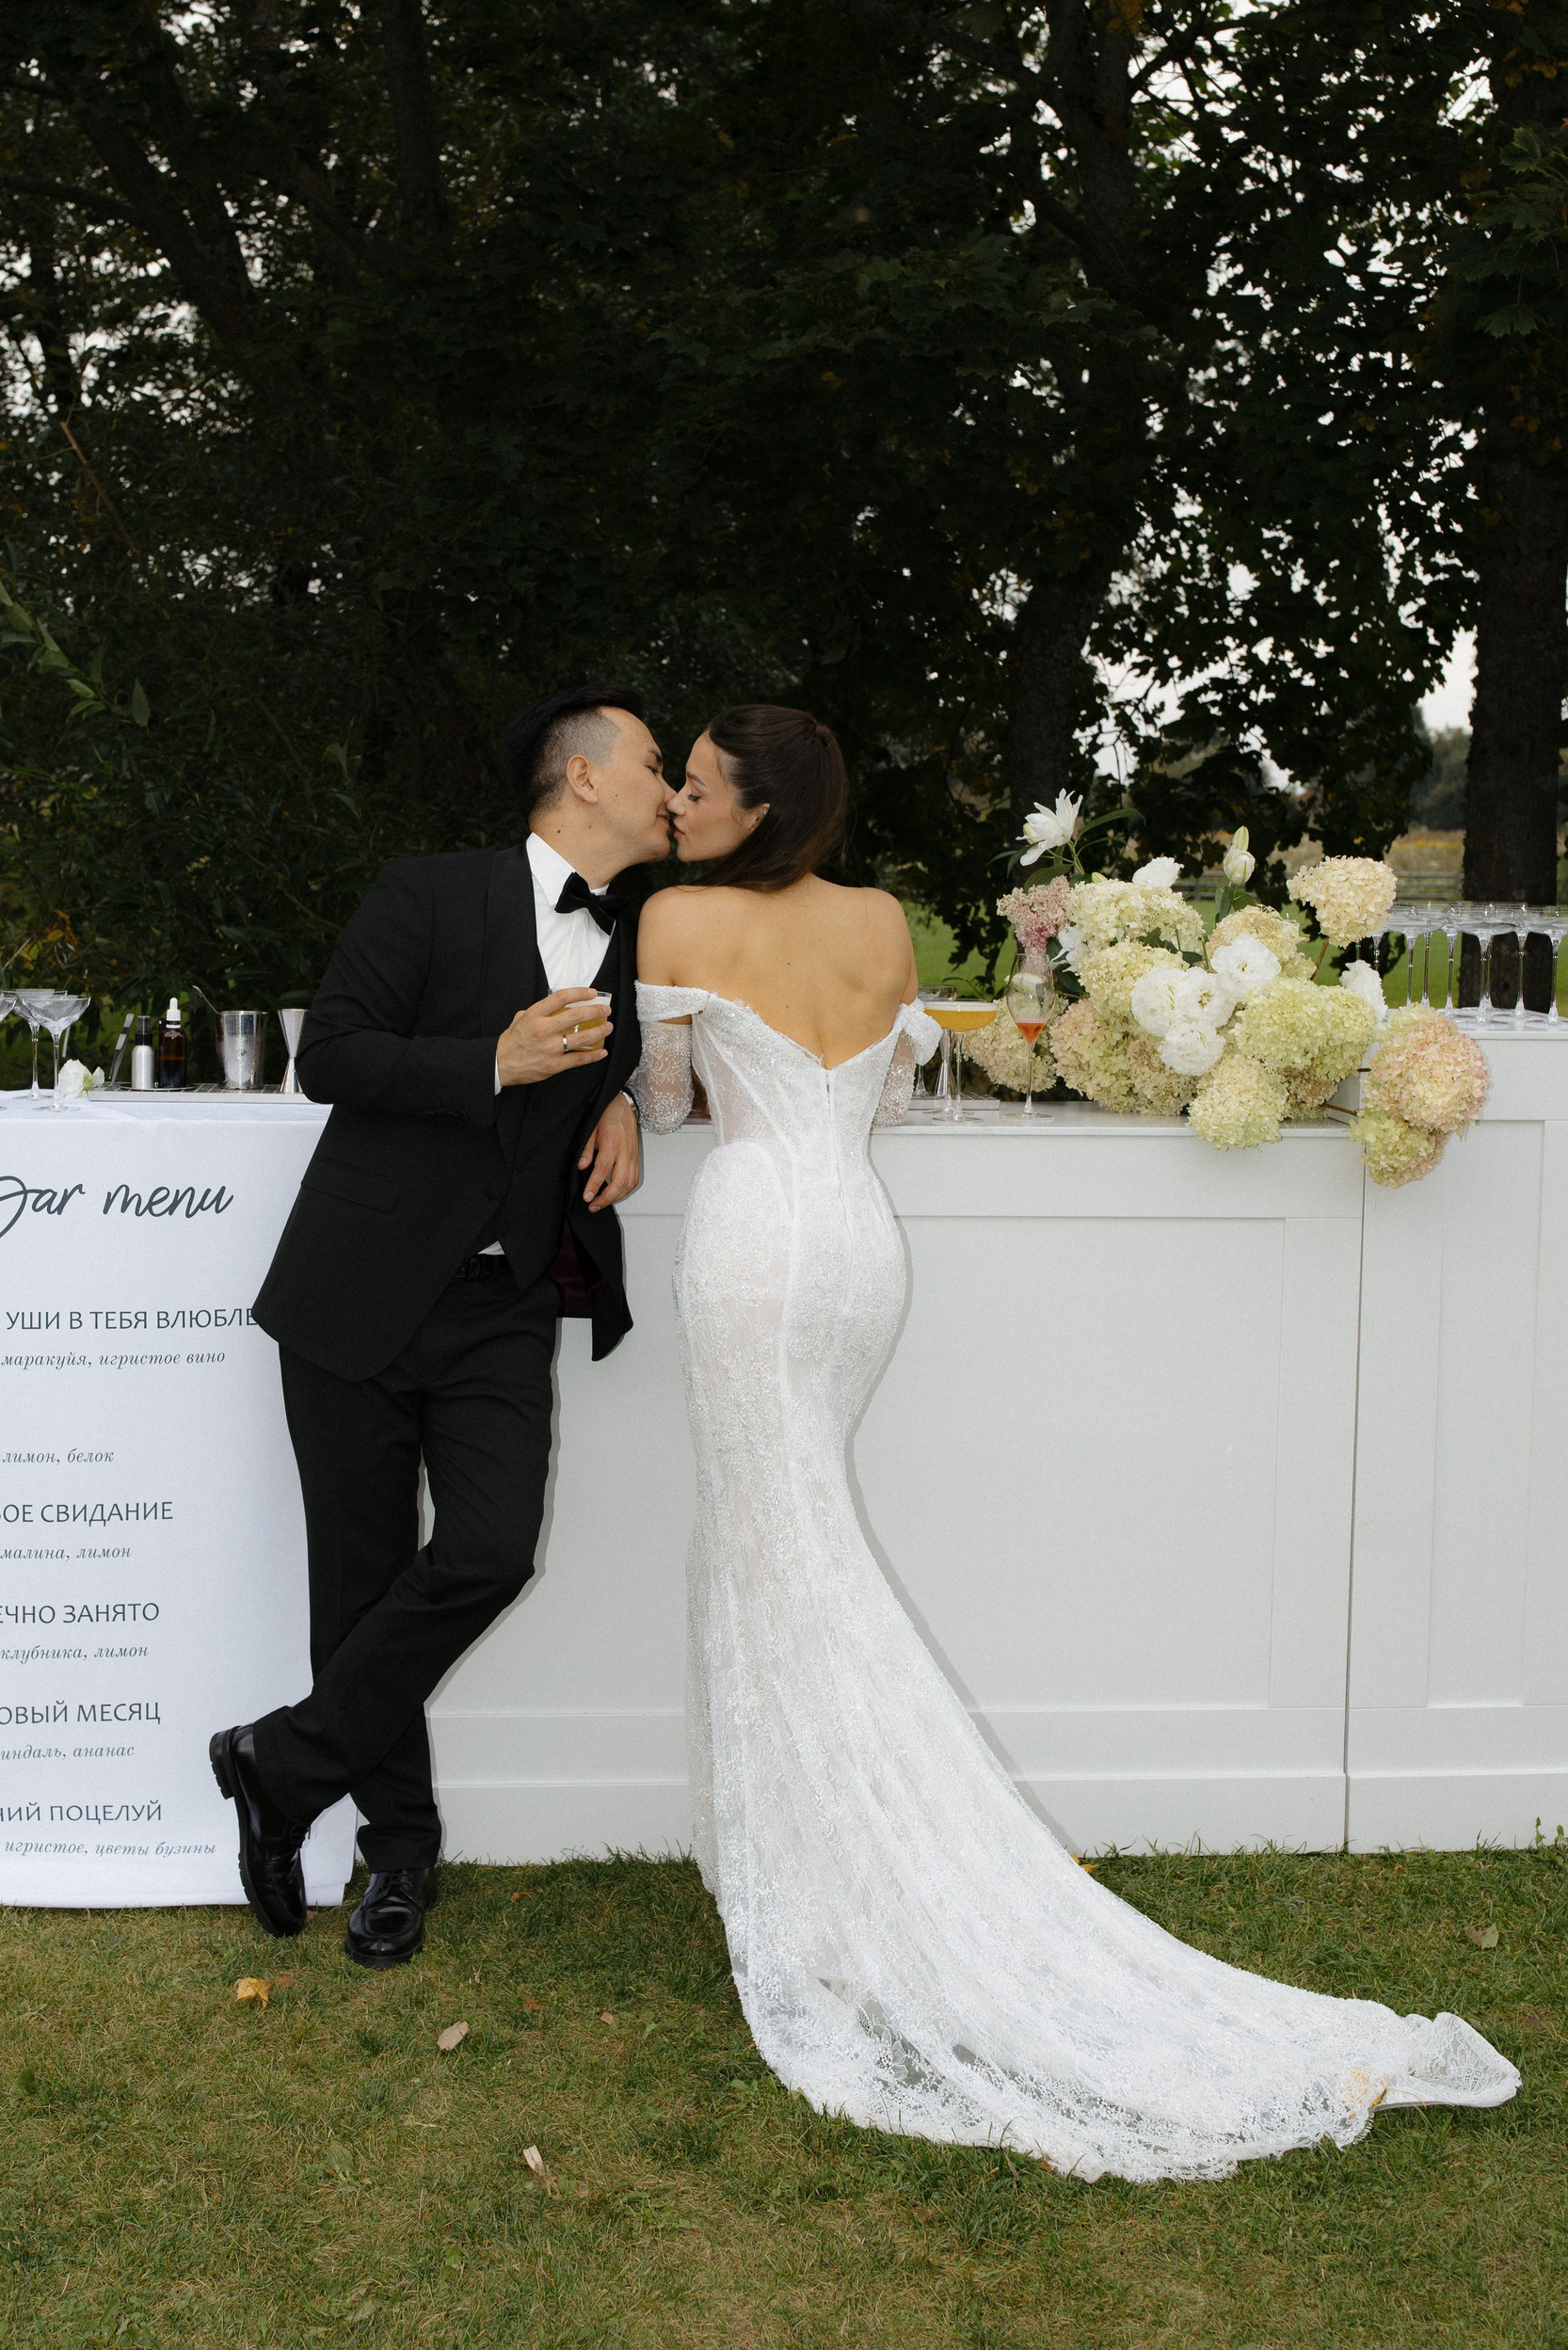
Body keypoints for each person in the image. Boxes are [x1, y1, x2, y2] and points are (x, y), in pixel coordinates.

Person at [629, 701, 1519, 2184]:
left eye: (701, 786)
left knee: (784, 1559)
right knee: (786, 1550)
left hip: (754, 1243)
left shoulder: (678, 919)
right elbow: (889, 1095)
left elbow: (670, 1103)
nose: (677, 804)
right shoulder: (880, 921)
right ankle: (819, 1873)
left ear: (758, 809)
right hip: (859, 1251)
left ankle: (899, 1888)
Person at [212, 685, 673, 1963]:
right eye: (653, 763)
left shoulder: (651, 930)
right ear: (584, 777)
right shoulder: (426, 892)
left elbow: (643, 1048)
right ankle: (398, 1857)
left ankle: (279, 1764)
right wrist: (490, 1061)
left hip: (500, 1303)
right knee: (358, 1585)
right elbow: (333, 1056)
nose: (672, 790)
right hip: (354, 1290)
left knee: (489, 1549)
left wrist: (623, 1095)